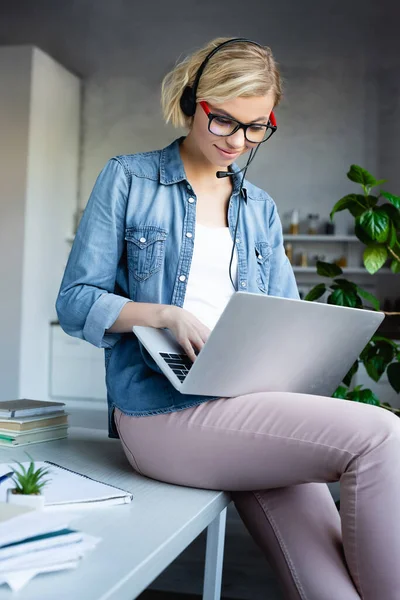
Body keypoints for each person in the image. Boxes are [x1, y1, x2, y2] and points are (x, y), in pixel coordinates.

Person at [56, 37, 400, 600]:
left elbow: (287, 317)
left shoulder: (259, 208)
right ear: (194, 102)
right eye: (224, 122)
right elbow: (74, 301)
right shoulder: (128, 179)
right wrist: (165, 314)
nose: (238, 142)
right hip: (163, 412)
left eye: (257, 127)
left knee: (331, 590)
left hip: (251, 407)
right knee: (382, 434)